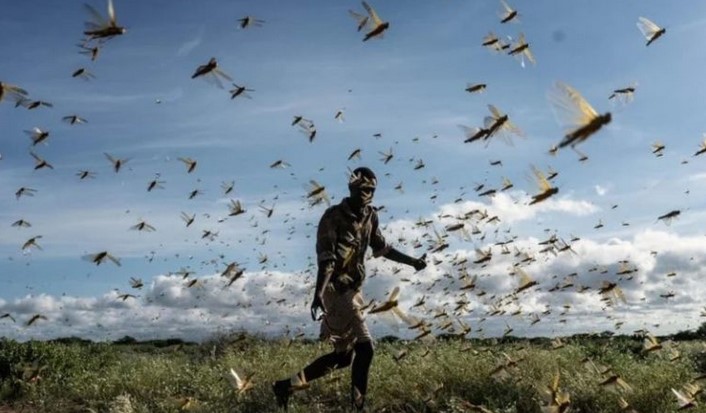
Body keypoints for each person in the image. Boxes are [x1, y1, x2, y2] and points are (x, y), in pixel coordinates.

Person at [272, 166, 427, 411]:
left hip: (354, 290)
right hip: (335, 290)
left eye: (371, 190)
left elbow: (382, 247)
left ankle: (284, 386)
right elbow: (327, 260)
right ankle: (359, 407)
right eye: (362, 189)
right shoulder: (332, 217)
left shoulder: (370, 216)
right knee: (365, 347)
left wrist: (413, 261)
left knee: (343, 358)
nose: (367, 194)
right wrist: (318, 294)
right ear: (351, 188)